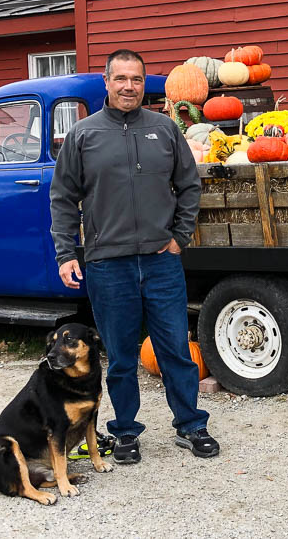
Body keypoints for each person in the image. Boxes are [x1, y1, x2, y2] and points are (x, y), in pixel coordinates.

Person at [50, 49, 218, 463]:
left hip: (161, 262)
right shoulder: (84, 135)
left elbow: (189, 186)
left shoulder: (164, 129)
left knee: (176, 349)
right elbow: (63, 198)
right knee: (122, 357)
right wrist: (65, 253)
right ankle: (125, 432)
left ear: (145, 84)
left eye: (137, 80)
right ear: (106, 83)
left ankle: (192, 425)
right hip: (109, 264)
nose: (129, 86)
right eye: (121, 78)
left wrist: (179, 237)